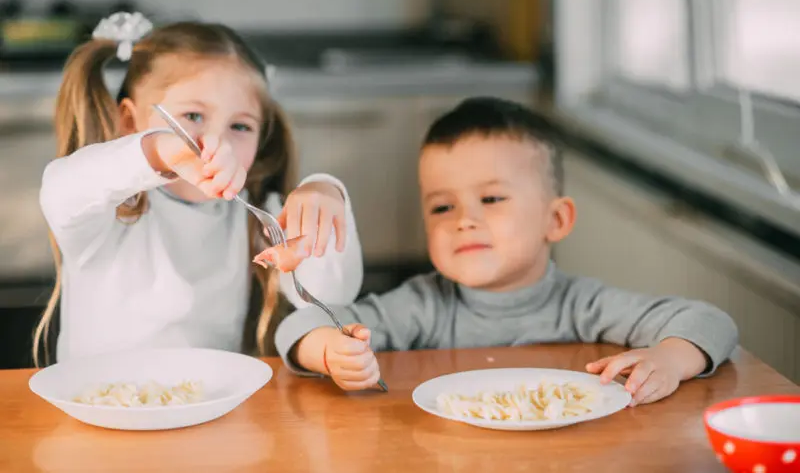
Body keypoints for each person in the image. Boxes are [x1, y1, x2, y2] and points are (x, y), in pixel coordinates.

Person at [274, 96, 738, 407]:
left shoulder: (582, 305)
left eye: (491, 199)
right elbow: (299, 323)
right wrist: (331, 351)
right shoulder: (423, 306)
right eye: (442, 206)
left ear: (555, 220)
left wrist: (670, 360)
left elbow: (710, 322)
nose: (464, 220)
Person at [35, 12, 363, 366]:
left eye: (240, 126)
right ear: (130, 122)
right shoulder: (109, 212)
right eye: (192, 117)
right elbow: (62, 190)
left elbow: (333, 292)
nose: (215, 142)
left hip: (212, 409)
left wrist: (326, 197)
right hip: (99, 407)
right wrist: (160, 151)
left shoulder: (256, 216)